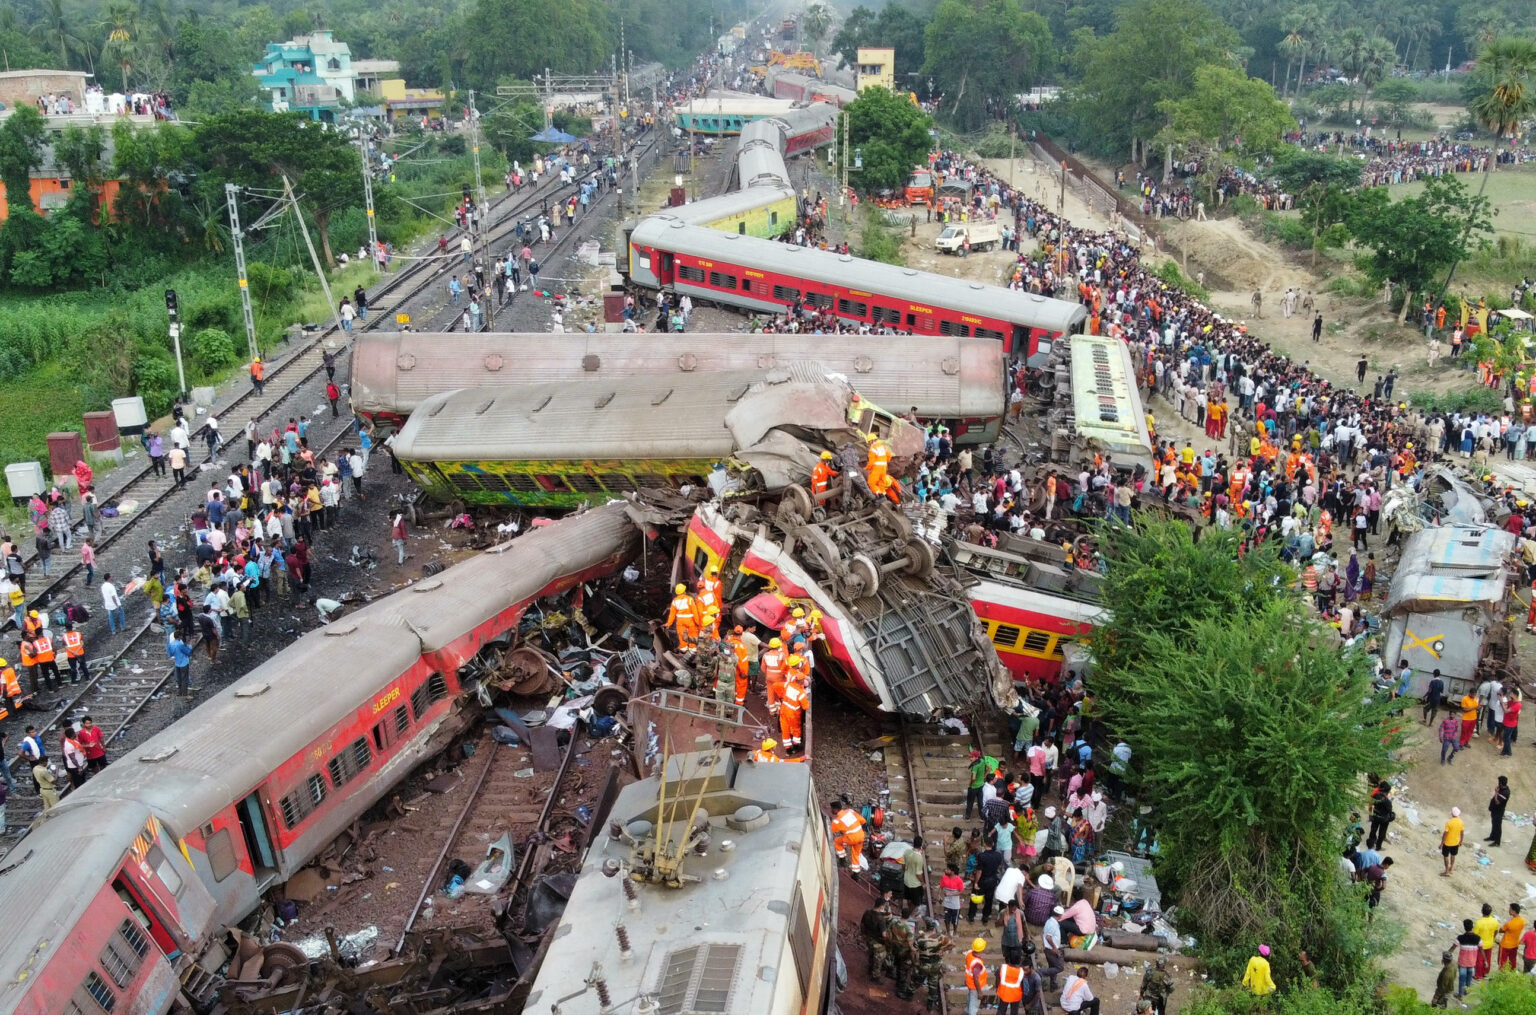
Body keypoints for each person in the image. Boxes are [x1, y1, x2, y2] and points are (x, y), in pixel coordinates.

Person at [831, 798, 867, 874]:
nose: (831, 811)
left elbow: (831, 829)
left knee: (837, 842)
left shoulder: (837, 820)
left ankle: (842, 860)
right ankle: (856, 874)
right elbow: (863, 821)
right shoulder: (850, 811)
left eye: (832, 809)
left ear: (836, 809)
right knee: (856, 854)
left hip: (851, 838)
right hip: (861, 836)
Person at [863, 898, 893, 983]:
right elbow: (884, 934)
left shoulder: (867, 912)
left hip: (869, 938)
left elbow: (862, 924)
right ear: (882, 906)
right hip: (877, 942)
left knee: (871, 954)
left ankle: (870, 968)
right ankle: (875, 977)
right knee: (879, 958)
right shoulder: (881, 919)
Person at [1473, 902, 1500, 979]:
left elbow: (1475, 935)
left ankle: (1478, 975)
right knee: (1488, 959)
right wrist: (1492, 938)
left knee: (1480, 960)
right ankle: (1486, 973)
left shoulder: (1479, 922)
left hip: (1481, 944)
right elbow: (1496, 931)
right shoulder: (1495, 921)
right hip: (1490, 943)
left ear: (1482, 911)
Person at [1455, 919, 1481, 997]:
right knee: (1469, 979)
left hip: (1463, 963)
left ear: (1464, 927)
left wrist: (1448, 952)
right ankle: (1467, 991)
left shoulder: (1460, 938)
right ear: (1472, 927)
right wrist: (1485, 960)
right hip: (1472, 962)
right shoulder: (1477, 938)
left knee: (1462, 979)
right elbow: (1481, 949)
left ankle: (1460, 995)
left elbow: (1453, 946)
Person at [964, 938, 989, 1015]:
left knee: (970, 999)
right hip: (976, 986)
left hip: (970, 983)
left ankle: (967, 1011)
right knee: (974, 1006)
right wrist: (980, 992)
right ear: (981, 950)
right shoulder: (977, 964)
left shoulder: (969, 954)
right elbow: (976, 978)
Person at [167, 630, 194, 698]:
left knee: (179, 678)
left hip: (177, 663)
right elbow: (188, 652)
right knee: (184, 679)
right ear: (179, 637)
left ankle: (180, 692)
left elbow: (170, 654)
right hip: (184, 663)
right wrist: (190, 645)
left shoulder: (171, 644)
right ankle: (185, 694)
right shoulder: (180, 644)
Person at [1498, 903, 1525, 970]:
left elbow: (1500, 930)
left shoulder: (1509, 923)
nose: (1509, 910)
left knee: (1502, 962)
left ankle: (1501, 976)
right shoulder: (1522, 921)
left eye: (1510, 909)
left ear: (1513, 911)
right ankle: (1511, 974)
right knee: (1513, 961)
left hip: (1505, 945)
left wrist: (1507, 926)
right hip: (1515, 944)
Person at [1488, 776, 1511, 847]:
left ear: (1501, 783)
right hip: (1494, 810)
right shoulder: (1501, 788)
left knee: (1497, 826)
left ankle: (1497, 842)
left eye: (1499, 782)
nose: (1498, 784)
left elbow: (1497, 802)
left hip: (1499, 811)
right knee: (1494, 823)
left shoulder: (1506, 792)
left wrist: (1496, 793)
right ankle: (1492, 836)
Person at [1441, 806, 1464, 875]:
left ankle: (1446, 871)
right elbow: (1462, 833)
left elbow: (1445, 834)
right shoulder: (1461, 822)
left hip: (1447, 843)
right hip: (1456, 842)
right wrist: (1461, 841)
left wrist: (1442, 843)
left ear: (1452, 814)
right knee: (1453, 855)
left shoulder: (1449, 822)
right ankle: (1451, 868)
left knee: (1446, 856)